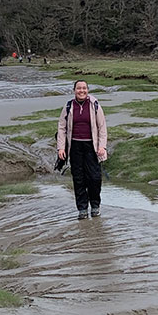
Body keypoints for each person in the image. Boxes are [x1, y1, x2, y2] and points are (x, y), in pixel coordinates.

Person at [56, 79, 107, 219]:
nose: (82, 91)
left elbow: (102, 127)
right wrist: (61, 148)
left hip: (92, 147)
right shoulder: (68, 106)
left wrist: (102, 146)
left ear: (88, 90)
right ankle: (82, 209)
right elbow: (61, 128)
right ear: (74, 91)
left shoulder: (95, 105)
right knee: (78, 179)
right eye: (79, 88)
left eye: (84, 88)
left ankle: (95, 206)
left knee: (94, 178)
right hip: (75, 147)